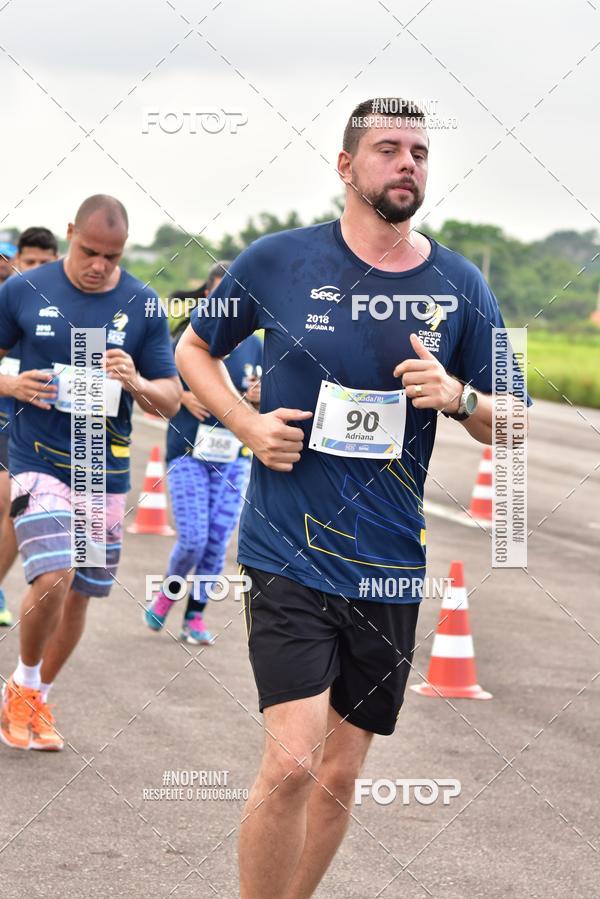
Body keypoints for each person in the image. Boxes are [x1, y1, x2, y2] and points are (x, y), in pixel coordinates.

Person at [176, 98, 530, 898]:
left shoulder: (458, 286)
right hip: (286, 546)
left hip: (389, 563)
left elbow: (514, 423)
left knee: (337, 773)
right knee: (294, 757)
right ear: (346, 166)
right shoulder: (277, 262)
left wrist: (458, 395)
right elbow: (194, 348)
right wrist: (244, 421)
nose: (408, 163)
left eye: (419, 152)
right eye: (387, 150)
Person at [0, 194, 181, 751]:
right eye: (89, 251)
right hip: (35, 457)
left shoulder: (143, 305)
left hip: (103, 468)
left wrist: (137, 382)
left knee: (80, 589)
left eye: (112, 255)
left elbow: (171, 401)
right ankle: (24, 686)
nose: (99, 264)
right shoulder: (23, 290)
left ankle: (37, 696)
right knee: (53, 574)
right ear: (70, 232)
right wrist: (8, 384)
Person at [144, 261, 262, 644]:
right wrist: (185, 395)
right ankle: (168, 593)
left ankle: (194, 616)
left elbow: (277, 401)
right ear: (207, 297)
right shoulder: (186, 341)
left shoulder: (258, 345)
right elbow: (157, 389)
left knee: (216, 541)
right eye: (217, 294)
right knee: (193, 538)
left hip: (235, 459)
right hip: (188, 455)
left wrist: (262, 398)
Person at [0, 227, 59, 627]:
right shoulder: (8, 302)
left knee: (8, 507)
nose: (35, 269)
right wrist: (11, 384)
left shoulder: (69, 309)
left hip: (28, 432)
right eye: (29, 262)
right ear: (15, 262)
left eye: (43, 262)